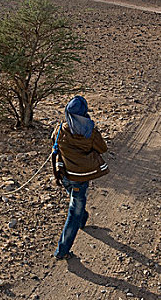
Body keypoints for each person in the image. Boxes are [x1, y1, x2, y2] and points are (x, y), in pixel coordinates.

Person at [51, 96, 109, 260]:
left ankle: (82, 218)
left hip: (65, 175)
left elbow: (54, 146)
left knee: (76, 200)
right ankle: (62, 250)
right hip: (80, 177)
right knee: (74, 211)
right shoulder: (90, 133)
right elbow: (103, 148)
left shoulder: (59, 130)